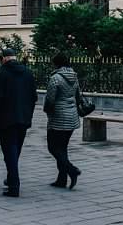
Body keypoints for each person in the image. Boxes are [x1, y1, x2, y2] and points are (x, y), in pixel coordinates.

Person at [0, 48, 37, 198]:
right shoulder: (27, 72)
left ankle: (14, 185)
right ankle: (10, 179)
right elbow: (33, 97)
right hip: (23, 118)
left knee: (9, 151)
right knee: (15, 150)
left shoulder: (2, 73)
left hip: (6, 119)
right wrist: (28, 115)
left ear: (3, 58)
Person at [43, 53, 82, 190]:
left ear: (56, 64)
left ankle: (72, 170)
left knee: (52, 147)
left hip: (58, 117)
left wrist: (47, 111)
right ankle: (61, 179)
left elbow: (50, 99)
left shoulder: (55, 78)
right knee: (62, 148)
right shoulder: (74, 77)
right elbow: (78, 97)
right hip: (72, 116)